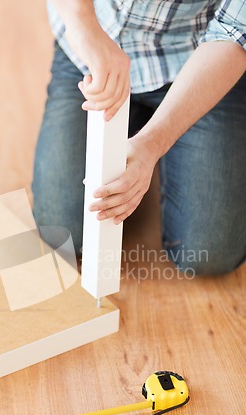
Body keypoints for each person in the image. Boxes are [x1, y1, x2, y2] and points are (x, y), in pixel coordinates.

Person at [32, 0, 246, 275]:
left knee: (208, 255)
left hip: (199, 56)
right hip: (92, 35)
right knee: (60, 233)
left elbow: (235, 29)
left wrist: (154, 143)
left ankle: (154, 132)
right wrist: (83, 27)